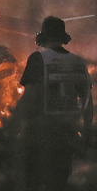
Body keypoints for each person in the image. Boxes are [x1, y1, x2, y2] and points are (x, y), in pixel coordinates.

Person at [17, 16, 93, 191]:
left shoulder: (38, 58)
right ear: (63, 37)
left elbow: (30, 98)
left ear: (41, 37)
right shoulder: (79, 62)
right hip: (68, 138)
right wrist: (86, 136)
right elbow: (88, 104)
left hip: (40, 138)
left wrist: (14, 125)